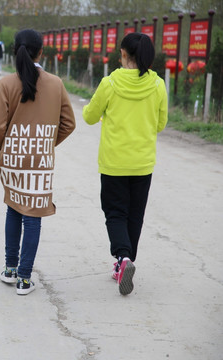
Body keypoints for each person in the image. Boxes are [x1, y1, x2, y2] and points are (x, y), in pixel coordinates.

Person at [0, 29, 76, 295]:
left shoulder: (6, 84)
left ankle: (10, 269)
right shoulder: (56, 83)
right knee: (34, 215)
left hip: (13, 158)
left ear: (16, 51)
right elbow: (68, 124)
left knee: (14, 207)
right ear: (41, 52)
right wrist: (46, 144)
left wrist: (5, 147)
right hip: (40, 160)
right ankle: (25, 279)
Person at [82, 33, 168, 296]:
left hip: (114, 163)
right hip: (143, 163)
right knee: (135, 214)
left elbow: (89, 116)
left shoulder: (110, 83)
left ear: (124, 55)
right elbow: (160, 124)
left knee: (115, 212)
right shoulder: (158, 86)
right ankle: (126, 260)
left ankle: (123, 258)